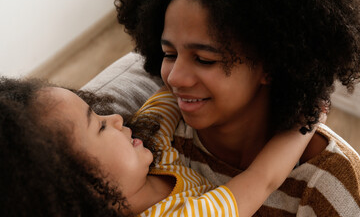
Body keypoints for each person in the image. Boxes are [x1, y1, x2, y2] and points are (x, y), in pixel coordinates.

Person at [112, 0, 360, 215]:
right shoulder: (152, 145)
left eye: (204, 59)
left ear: (270, 65)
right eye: (169, 54)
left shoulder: (330, 183)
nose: (174, 78)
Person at [0, 76, 316, 216]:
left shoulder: (150, 145)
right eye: (97, 125)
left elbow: (172, 89)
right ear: (75, 189)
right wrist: (310, 120)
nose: (114, 118)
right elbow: (262, 180)